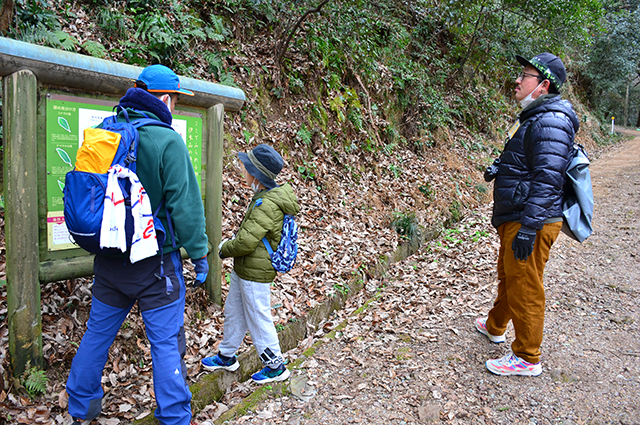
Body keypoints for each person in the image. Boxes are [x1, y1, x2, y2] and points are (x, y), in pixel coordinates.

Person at [66, 65, 210, 424]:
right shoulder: (167, 140)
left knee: (97, 334)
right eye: (174, 98)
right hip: (155, 265)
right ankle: (174, 418)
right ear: (164, 98)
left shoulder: (107, 130)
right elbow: (186, 206)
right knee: (165, 344)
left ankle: (81, 407)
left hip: (110, 259)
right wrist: (201, 254)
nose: (174, 105)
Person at [477, 53, 579, 376]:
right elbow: (530, 163)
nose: (518, 81)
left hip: (531, 219)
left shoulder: (552, 120)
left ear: (544, 85)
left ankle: (527, 356)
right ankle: (495, 326)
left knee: (526, 285)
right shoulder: (536, 116)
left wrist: (529, 229)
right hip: (518, 215)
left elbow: (549, 179)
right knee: (510, 277)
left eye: (526, 76)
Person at [201, 144, 299, 384]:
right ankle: (226, 355)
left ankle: (275, 365)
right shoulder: (264, 197)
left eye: (246, 168)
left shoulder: (266, 204)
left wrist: (224, 249)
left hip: (256, 271)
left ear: (256, 175)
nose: (243, 172)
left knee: (257, 316)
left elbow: (245, 242)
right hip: (244, 269)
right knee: (235, 312)